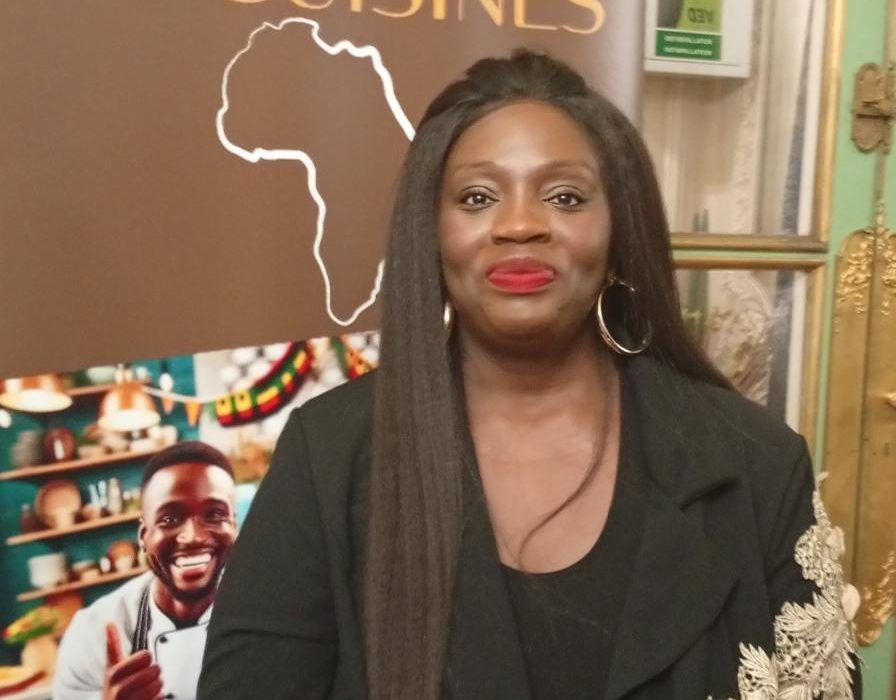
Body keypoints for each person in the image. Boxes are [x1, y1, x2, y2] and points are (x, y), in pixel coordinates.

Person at [198, 51, 860, 699]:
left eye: (565, 197)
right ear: (430, 235)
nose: (519, 225)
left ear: (619, 232)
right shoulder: (327, 456)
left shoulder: (755, 463)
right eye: (477, 197)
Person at [56, 441, 237, 700]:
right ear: (143, 536)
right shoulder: (91, 634)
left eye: (215, 515)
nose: (193, 536)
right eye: (169, 519)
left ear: (234, 527)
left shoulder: (265, 616)